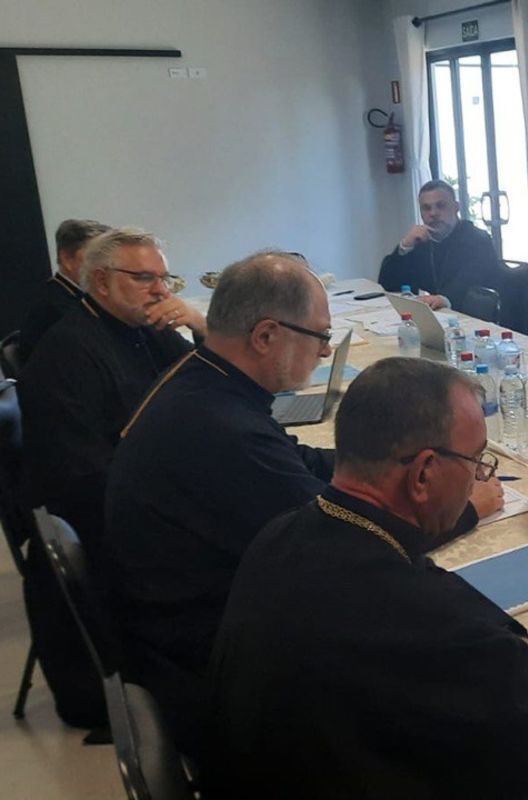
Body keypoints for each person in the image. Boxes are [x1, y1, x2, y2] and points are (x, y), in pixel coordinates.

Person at [106, 251, 503, 753]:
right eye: (319, 335)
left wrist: (378, 458)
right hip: (211, 672)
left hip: (179, 630)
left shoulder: (209, 384)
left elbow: (294, 458)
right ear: (266, 336)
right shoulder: (224, 433)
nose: (324, 351)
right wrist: (467, 508)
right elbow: (348, 536)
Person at [203, 358, 528, 797]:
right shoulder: (411, 620)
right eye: (476, 460)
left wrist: (506, 647)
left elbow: (423, 583)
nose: (480, 476)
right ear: (424, 473)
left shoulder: (287, 533)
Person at [16, 226, 202, 730]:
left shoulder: (142, 327)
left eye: (165, 279)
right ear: (100, 281)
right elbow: (85, 481)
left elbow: (205, 385)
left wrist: (200, 327)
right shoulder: (67, 354)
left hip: (143, 502)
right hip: (112, 537)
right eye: (144, 278)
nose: (160, 291)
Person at [378, 179, 504, 310]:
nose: (433, 213)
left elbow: (471, 282)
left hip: (474, 315)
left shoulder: (477, 239)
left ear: (456, 208)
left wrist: (444, 299)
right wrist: (405, 246)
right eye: (426, 208)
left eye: (441, 206)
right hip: (439, 314)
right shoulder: (422, 241)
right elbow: (388, 285)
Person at [17, 218, 112, 364]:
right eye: (95, 257)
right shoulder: (52, 308)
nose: (106, 265)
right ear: (67, 259)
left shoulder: (72, 294)